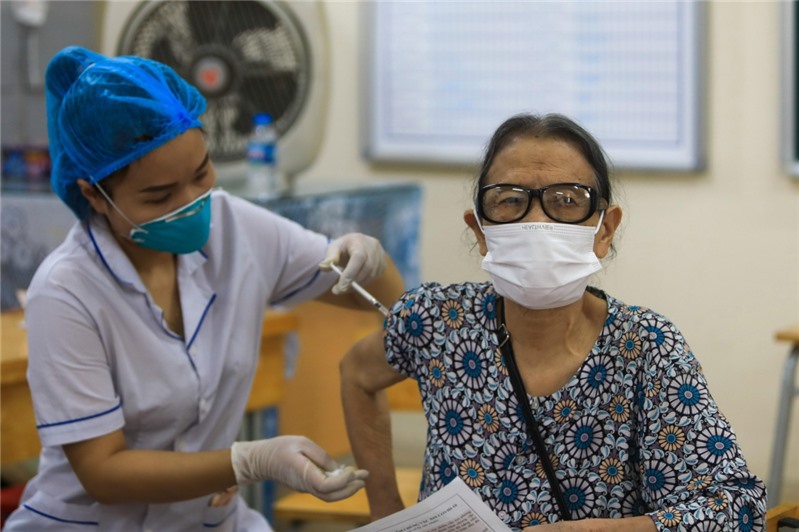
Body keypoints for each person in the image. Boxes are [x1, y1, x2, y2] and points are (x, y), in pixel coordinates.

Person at [4, 46, 404, 531]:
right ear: (95, 194)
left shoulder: (235, 226)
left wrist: (371, 259)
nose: (191, 203)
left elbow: (388, 301)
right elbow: (103, 472)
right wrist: (248, 461)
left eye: (201, 174)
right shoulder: (66, 291)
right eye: (159, 195)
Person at [340, 113, 767, 531]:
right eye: (510, 200)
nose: (537, 222)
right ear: (480, 230)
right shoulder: (438, 321)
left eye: (567, 200)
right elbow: (357, 373)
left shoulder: (646, 348)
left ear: (604, 230)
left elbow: (738, 510)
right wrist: (384, 509)